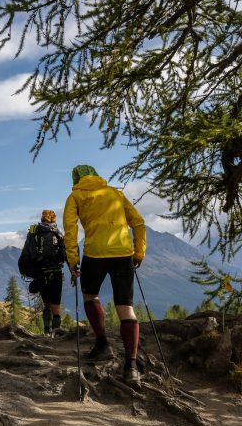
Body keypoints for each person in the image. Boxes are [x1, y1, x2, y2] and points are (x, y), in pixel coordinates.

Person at [64, 165, 146, 385]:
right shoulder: (115, 193)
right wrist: (138, 252)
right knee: (126, 307)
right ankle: (131, 366)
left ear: (76, 178)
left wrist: (73, 261)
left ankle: (102, 343)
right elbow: (138, 222)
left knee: (90, 295)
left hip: (94, 254)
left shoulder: (75, 197)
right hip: (122, 254)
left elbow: (70, 232)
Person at [18, 209, 65, 336]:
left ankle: (46, 332)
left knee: (47, 305)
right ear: (54, 219)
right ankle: (56, 333)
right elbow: (64, 253)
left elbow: (28, 253)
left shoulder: (34, 232)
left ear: (42, 219)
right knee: (56, 307)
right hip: (56, 272)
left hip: (41, 272)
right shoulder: (57, 233)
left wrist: (28, 269)